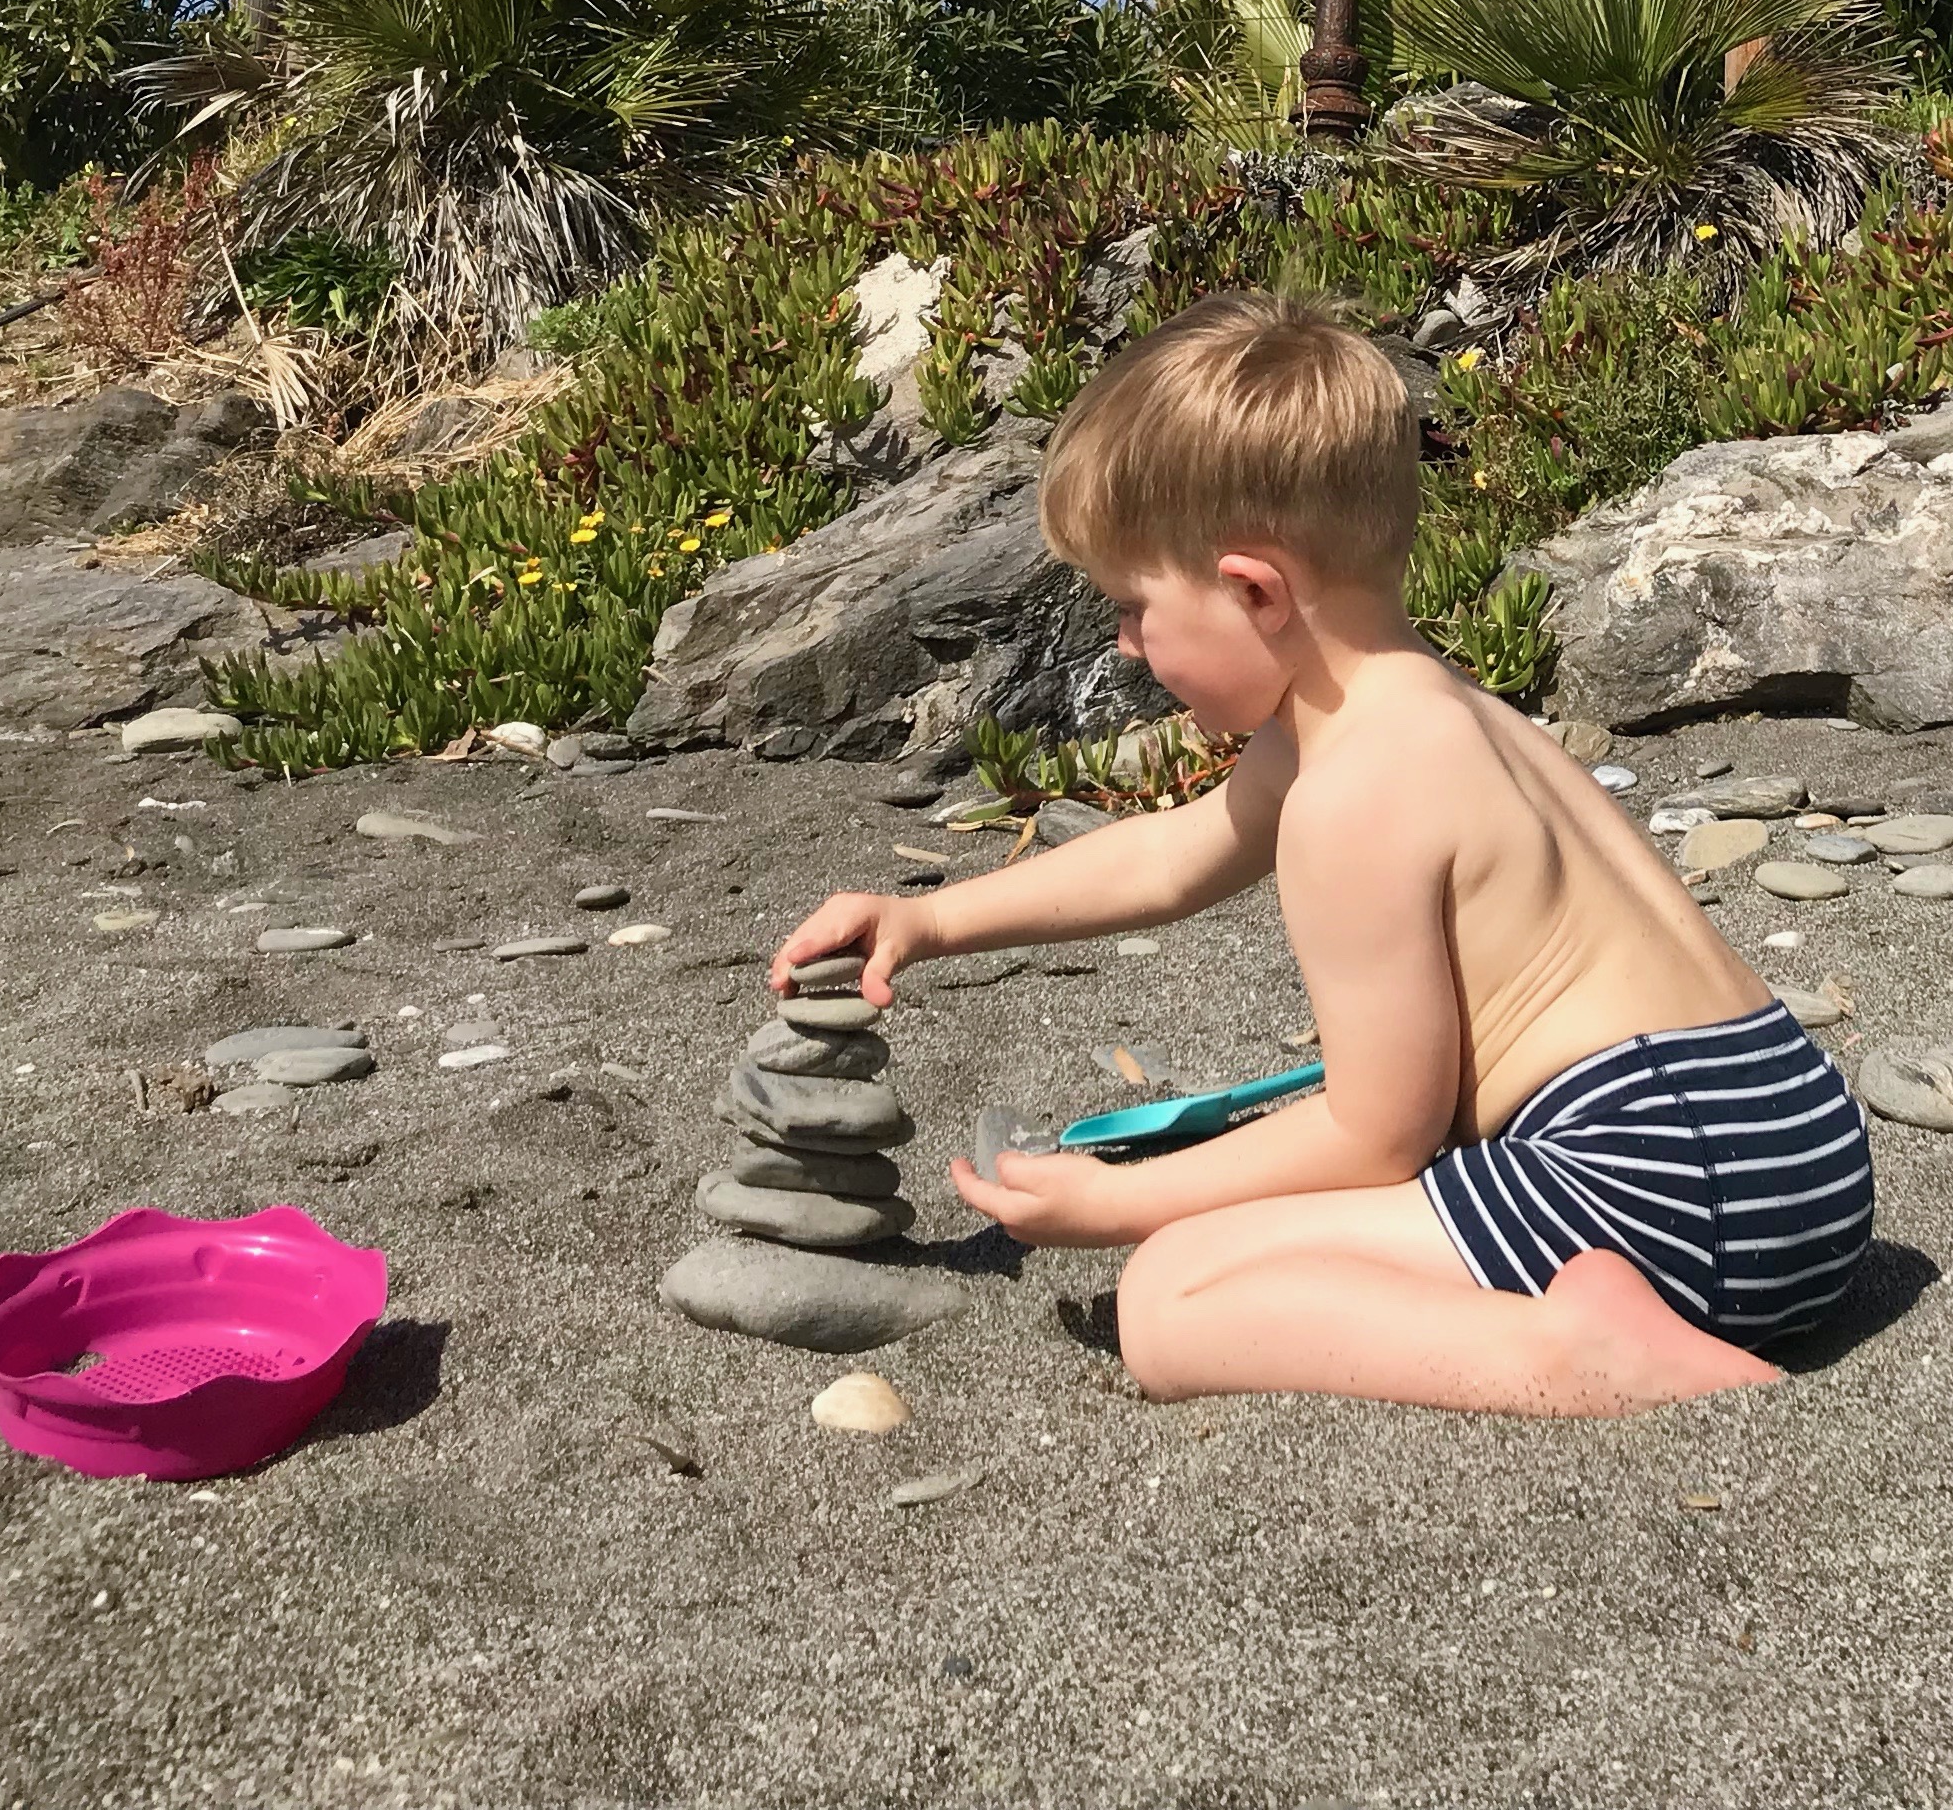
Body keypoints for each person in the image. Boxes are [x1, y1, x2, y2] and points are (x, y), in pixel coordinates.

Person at [768, 288, 1871, 1411]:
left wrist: (1122, 1205)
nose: (1128, 643)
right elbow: (1173, 854)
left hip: (1663, 1195)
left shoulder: (1358, 789)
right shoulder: (1429, 708)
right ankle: (1601, 1315)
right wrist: (933, 917)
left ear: (1254, 590)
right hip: (1798, 1150)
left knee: (1174, 1297)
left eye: (1136, 606)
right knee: (1239, 1240)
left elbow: (1375, 1134)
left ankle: (1582, 1355)